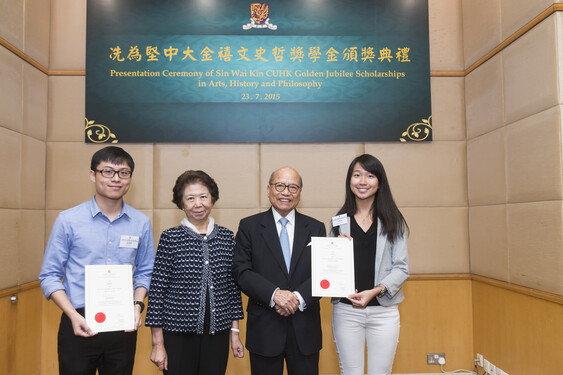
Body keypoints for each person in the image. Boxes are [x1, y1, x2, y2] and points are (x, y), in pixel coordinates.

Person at [39, 146, 156, 375]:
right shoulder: (68, 220)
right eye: (108, 171)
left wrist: (137, 305)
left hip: (123, 325)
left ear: (130, 178)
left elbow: (145, 271)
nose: (116, 179)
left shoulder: (140, 222)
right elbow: (49, 275)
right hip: (78, 323)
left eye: (123, 173)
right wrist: (72, 315)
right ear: (93, 174)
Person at [145, 170, 244, 375]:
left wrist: (235, 332)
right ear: (181, 204)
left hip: (218, 333)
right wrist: (157, 342)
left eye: (203, 197)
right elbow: (156, 293)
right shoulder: (170, 238)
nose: (198, 204)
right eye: (190, 198)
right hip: (177, 335)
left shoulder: (226, 237)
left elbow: (232, 289)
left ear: (212, 198)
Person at [232, 167, 327, 375]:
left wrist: (296, 298)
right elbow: (241, 271)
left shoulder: (316, 228)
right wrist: (275, 295)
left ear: (300, 192)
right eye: (280, 186)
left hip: (305, 329)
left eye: (293, 187)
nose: (286, 192)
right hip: (265, 328)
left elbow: (323, 272)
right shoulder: (249, 226)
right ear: (269, 190)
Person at [330, 154, 409, 375]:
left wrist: (374, 292)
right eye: (357, 175)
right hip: (346, 311)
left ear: (379, 182)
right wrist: (333, 249)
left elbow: (401, 268)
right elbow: (329, 269)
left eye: (370, 175)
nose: (362, 181)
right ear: (349, 180)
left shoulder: (394, 220)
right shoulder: (338, 220)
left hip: (384, 312)